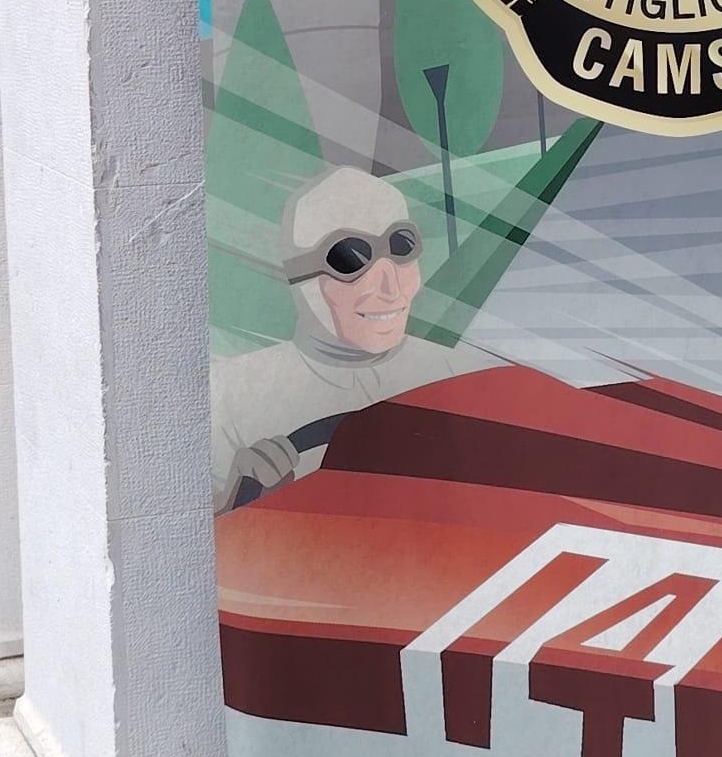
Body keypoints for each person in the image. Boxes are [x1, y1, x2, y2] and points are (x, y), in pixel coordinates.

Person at [209, 165, 503, 513]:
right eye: (350, 259)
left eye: (401, 246)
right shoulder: (229, 397)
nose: (391, 289)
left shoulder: (470, 378)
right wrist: (241, 503)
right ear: (298, 278)